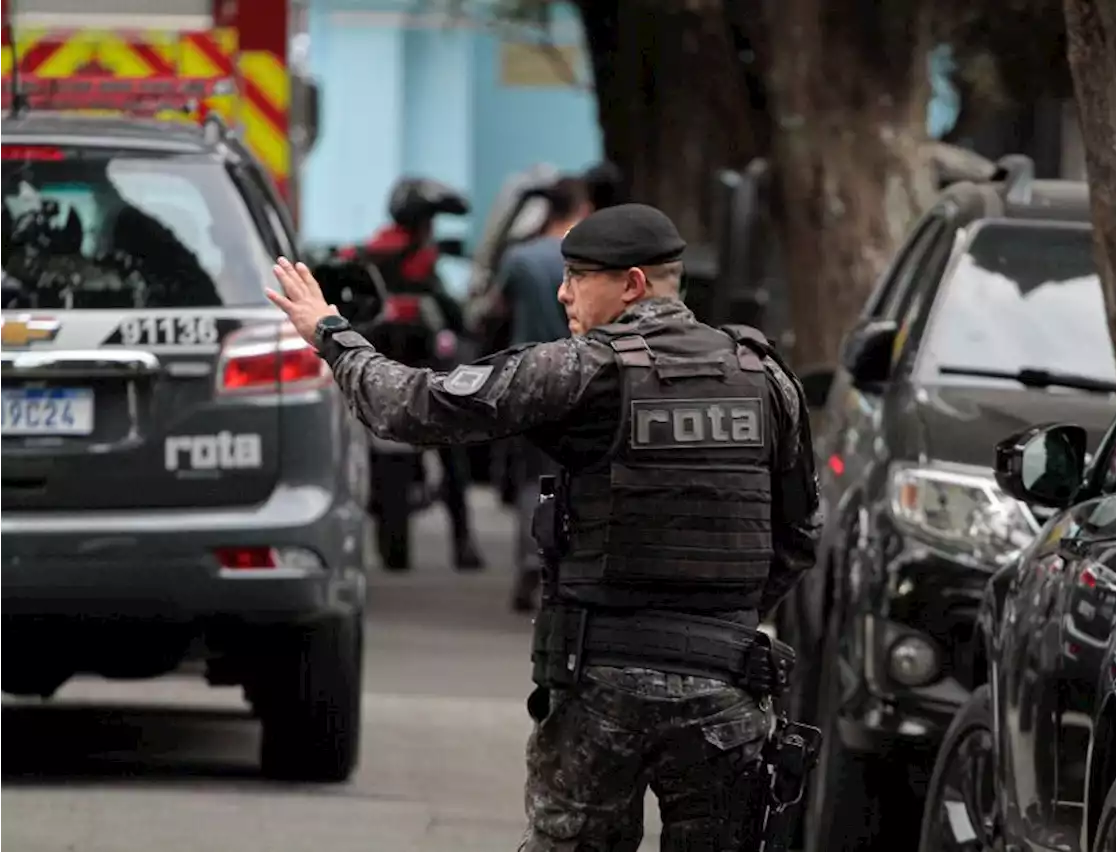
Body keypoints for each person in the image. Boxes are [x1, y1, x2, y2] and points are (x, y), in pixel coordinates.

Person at [266, 203, 821, 850]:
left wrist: (332, 333)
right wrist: (719, 625)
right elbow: (799, 536)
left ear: (632, 284)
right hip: (730, 694)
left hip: (603, 690)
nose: (561, 292)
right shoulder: (766, 378)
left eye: (578, 276)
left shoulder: (585, 368)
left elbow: (413, 406)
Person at [342, 177, 484, 571]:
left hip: (381, 375)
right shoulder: (420, 260)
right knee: (454, 453)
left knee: (385, 457)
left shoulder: (368, 255)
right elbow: (456, 318)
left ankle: (396, 550)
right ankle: (464, 544)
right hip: (429, 375)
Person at [496, 176, 591, 611]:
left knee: (533, 477)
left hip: (529, 379)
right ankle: (570, 563)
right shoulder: (591, 261)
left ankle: (531, 558)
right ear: (583, 208)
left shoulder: (520, 258)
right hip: (584, 379)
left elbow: (493, 311)